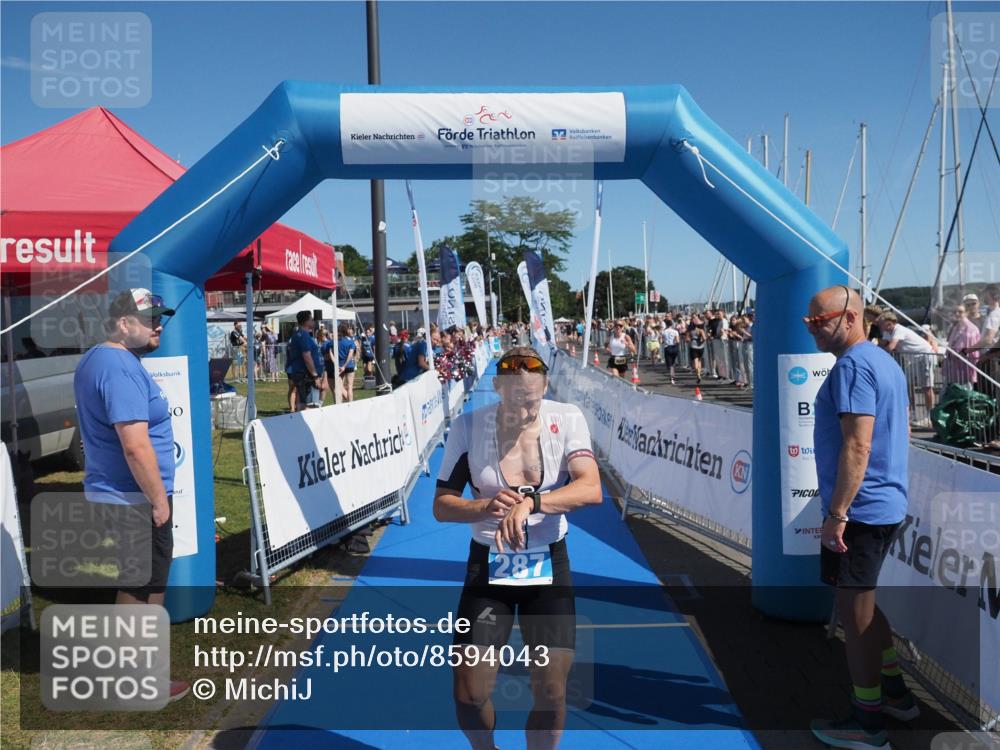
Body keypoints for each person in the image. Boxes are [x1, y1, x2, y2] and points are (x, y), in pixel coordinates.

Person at [433, 347, 602, 750]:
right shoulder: (469, 427)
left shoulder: (567, 418)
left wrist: (532, 503)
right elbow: (441, 505)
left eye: (532, 399)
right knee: (469, 693)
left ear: (545, 387)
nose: (525, 409)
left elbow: (591, 487)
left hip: (548, 564)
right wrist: (483, 507)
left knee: (552, 691)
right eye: (515, 400)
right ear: (497, 388)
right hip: (489, 565)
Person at [805, 286, 918, 750]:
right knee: (862, 605)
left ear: (849, 318)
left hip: (862, 512)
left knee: (854, 616)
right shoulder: (881, 361)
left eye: (818, 321)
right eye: (808, 321)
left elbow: (858, 444)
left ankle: (867, 722)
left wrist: (837, 512)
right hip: (879, 505)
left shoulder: (853, 365)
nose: (811, 328)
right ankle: (895, 693)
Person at [73, 288, 189, 702]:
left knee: (141, 583)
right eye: (151, 319)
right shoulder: (118, 365)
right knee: (141, 589)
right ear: (123, 324)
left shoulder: (103, 359)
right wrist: (158, 500)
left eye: (161, 317)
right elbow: (135, 445)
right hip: (132, 497)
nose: (160, 326)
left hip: (122, 494)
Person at [876, 312, 938, 424]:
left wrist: (875, 353)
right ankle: (912, 414)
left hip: (924, 355)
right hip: (912, 359)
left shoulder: (899, 330)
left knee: (927, 387)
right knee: (908, 386)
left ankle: (929, 416)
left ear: (889, 323)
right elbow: (882, 345)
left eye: (881, 323)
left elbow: (891, 347)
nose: (879, 325)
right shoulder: (887, 332)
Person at [285, 310, 322, 412]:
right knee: (310, 405)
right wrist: (315, 375)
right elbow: (307, 357)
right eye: (311, 320)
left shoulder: (298, 335)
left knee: (302, 402)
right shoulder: (303, 336)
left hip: (301, 373)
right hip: (306, 375)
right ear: (306, 322)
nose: (313, 322)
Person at [943, 305, 981, 386]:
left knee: (965, 391)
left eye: (960, 312)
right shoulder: (955, 327)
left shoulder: (971, 329)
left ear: (966, 313)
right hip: (953, 367)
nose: (957, 314)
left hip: (965, 368)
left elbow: (974, 350)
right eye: (955, 312)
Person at [337, 323, 357, 402]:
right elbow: (350, 355)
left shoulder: (336, 342)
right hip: (349, 366)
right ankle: (350, 404)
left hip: (339, 366)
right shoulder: (351, 342)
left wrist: (341, 366)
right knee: (350, 387)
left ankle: (340, 403)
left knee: (339, 387)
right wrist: (345, 366)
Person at [687, 315, 707, 383]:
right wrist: (701, 339)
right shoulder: (701, 330)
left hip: (693, 346)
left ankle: (698, 375)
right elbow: (704, 338)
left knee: (696, 361)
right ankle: (699, 374)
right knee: (699, 360)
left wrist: (690, 339)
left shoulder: (690, 330)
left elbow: (687, 339)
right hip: (700, 346)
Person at [661, 320, 681, 385]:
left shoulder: (664, 332)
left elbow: (661, 341)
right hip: (674, 347)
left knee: (669, 364)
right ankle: (672, 374)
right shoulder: (675, 331)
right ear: (672, 325)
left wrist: (664, 341)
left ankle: (672, 376)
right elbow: (678, 341)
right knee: (673, 362)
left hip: (667, 347)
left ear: (666, 325)